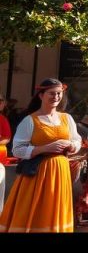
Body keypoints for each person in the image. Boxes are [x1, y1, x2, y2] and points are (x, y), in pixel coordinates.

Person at [0, 78, 81, 232]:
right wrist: (45, 148)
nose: (56, 97)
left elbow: (76, 140)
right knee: (38, 208)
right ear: (41, 95)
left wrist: (71, 145)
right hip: (38, 174)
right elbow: (17, 149)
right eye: (52, 93)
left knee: (57, 207)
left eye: (59, 94)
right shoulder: (30, 120)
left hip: (61, 171)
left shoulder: (67, 118)